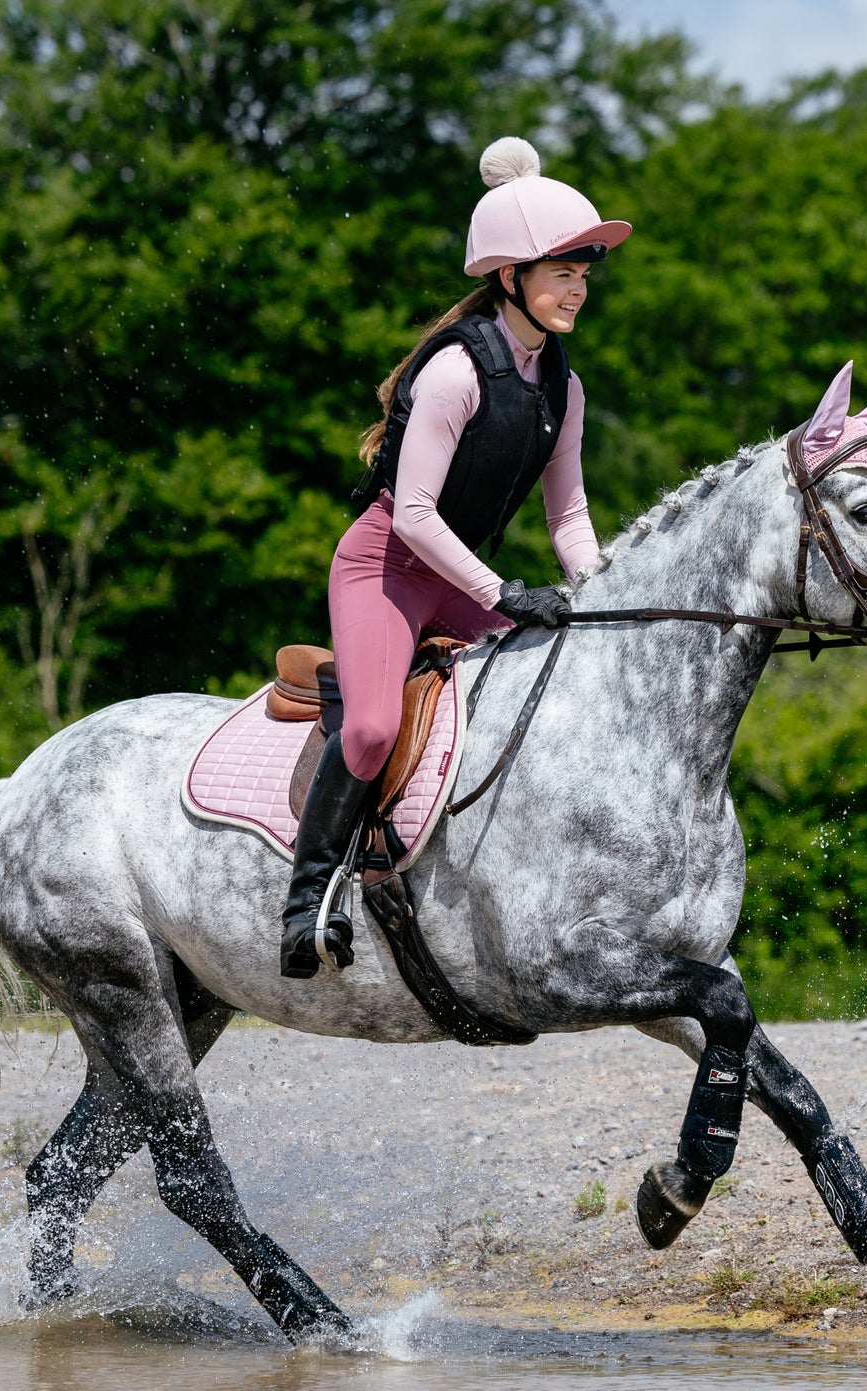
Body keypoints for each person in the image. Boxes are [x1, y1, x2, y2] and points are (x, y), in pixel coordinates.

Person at [280, 136, 632, 979]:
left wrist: (598, 591)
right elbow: (411, 516)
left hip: (456, 577)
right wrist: (503, 591)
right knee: (368, 727)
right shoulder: (453, 370)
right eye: (562, 273)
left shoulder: (562, 384)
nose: (577, 289)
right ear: (510, 276)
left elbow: (571, 512)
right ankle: (306, 898)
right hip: (386, 568)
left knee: (559, 678)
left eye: (584, 274)